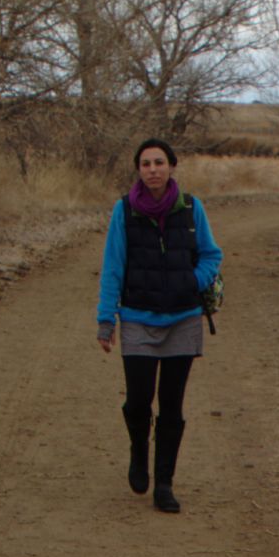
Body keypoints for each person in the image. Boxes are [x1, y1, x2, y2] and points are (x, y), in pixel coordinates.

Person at [96, 137, 223, 514]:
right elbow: (113, 267)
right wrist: (106, 319)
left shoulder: (191, 208)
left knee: (172, 405)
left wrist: (191, 281)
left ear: (171, 167)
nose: (153, 169)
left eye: (159, 162)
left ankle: (164, 483)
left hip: (182, 319)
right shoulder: (124, 211)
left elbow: (211, 254)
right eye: (146, 163)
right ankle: (139, 451)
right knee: (138, 400)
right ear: (138, 169)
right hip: (137, 317)